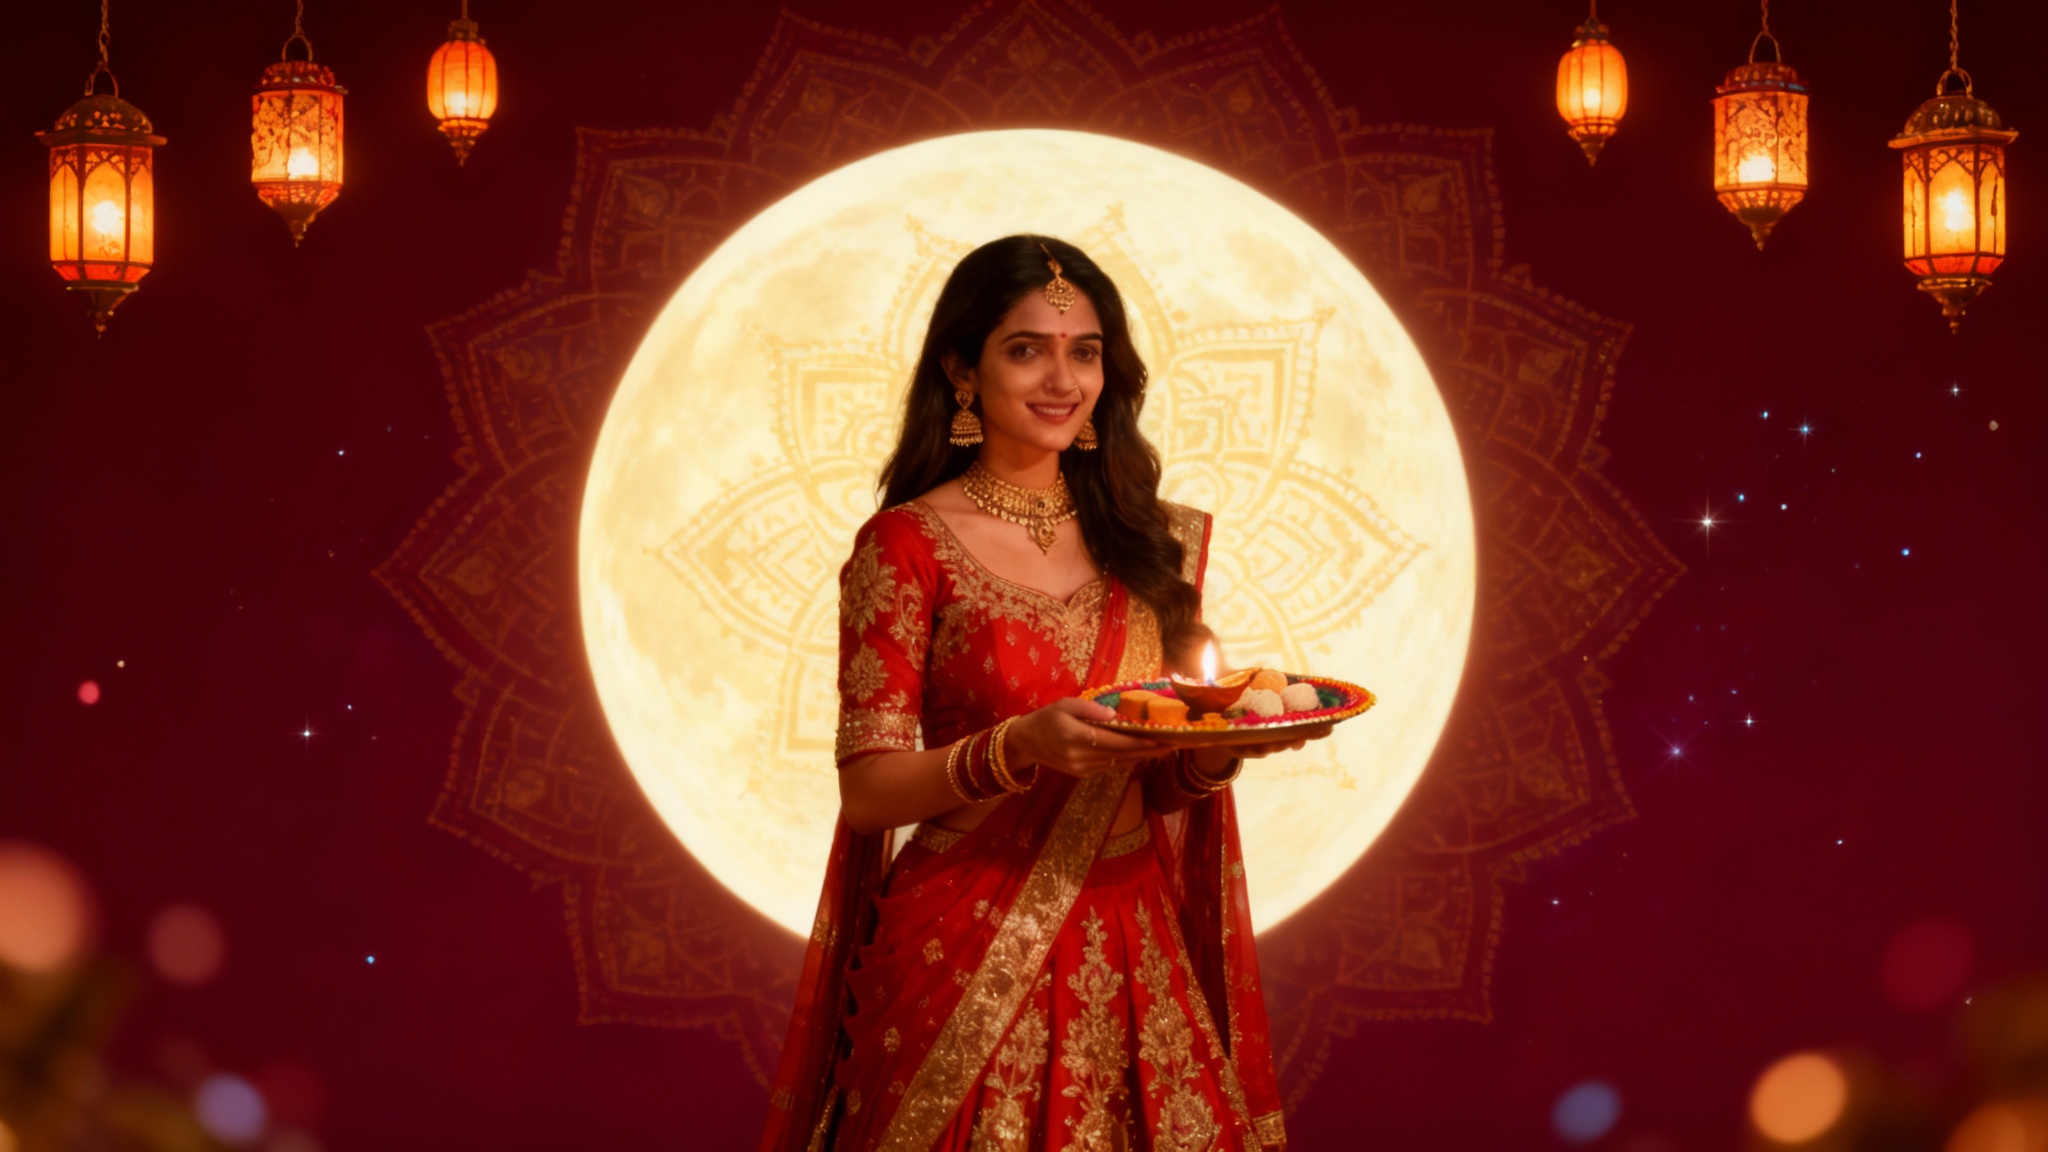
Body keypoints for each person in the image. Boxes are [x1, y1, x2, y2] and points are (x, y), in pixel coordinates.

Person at [759, 235, 1329, 1152]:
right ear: (962, 369)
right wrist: (1014, 747)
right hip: (961, 936)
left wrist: (1218, 752)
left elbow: (1163, 777)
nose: (1062, 377)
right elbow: (866, 794)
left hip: (1138, 942)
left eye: (1086, 350)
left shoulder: (1150, 544)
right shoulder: (904, 546)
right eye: (1026, 348)